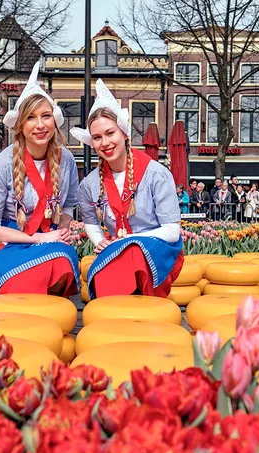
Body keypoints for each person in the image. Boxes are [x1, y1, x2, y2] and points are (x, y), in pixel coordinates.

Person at [0, 62, 80, 297]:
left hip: (50, 237)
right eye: (31, 118)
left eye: (45, 116)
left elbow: (68, 204)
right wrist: (40, 237)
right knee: (23, 278)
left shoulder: (66, 159)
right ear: (19, 125)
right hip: (11, 241)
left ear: (54, 120)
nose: (40, 125)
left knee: (62, 262)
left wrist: (64, 229)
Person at [72, 78, 182, 299]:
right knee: (111, 272)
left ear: (123, 133)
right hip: (118, 250)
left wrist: (128, 241)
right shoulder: (89, 185)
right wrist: (99, 241)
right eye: (97, 137)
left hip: (157, 249)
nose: (105, 142)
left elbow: (172, 232)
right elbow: (91, 223)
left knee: (135, 254)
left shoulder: (156, 174)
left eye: (110, 133)